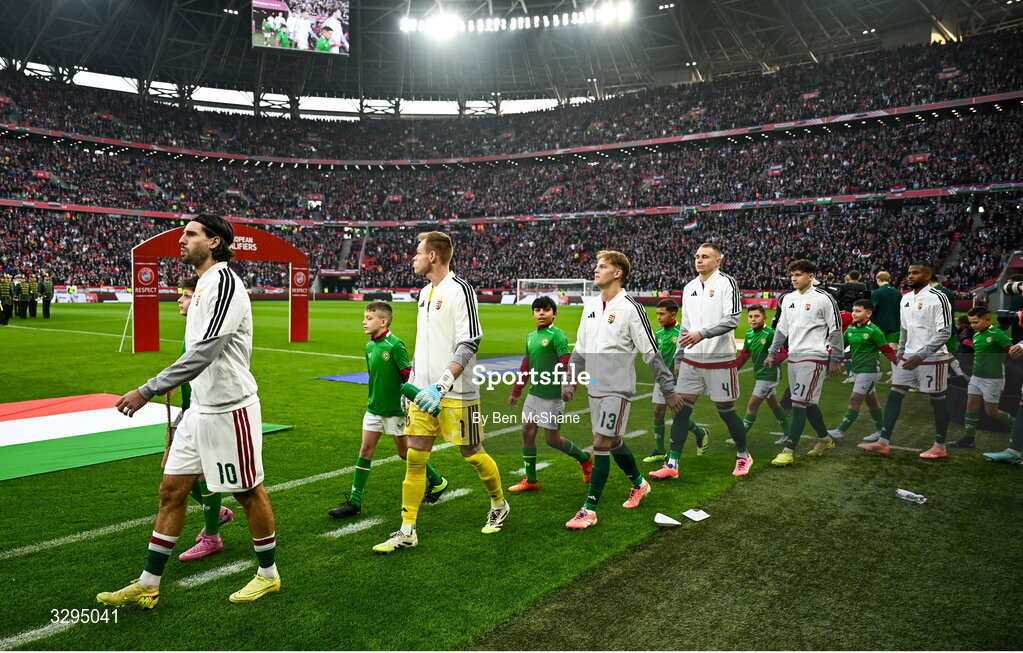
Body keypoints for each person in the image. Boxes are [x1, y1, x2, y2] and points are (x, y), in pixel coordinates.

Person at [98, 214, 281, 607]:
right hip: (199, 409)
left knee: (248, 493)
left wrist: (147, 389)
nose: (181, 240)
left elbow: (206, 350)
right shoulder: (200, 285)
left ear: (214, 242)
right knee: (171, 491)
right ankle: (148, 584)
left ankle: (268, 575)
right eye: (182, 234)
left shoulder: (226, 282)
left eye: (191, 234)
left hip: (231, 409)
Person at [372, 231, 508, 554]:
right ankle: (407, 530)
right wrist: (416, 384)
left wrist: (442, 383)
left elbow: (470, 341)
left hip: (458, 392)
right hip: (422, 393)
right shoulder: (423, 294)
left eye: (418, 252)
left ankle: (499, 505)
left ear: (433, 256)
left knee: (472, 452)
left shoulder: (461, 291)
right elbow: (423, 344)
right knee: (415, 456)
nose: (414, 258)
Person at [562, 251, 681, 529]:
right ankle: (640, 484)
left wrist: (668, 389)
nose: (596, 270)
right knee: (613, 442)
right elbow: (579, 349)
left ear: (618, 273)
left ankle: (589, 509)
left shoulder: (630, 308)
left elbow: (651, 352)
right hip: (595, 388)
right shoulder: (590, 305)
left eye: (602, 266)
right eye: (596, 266)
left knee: (601, 443)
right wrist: (570, 380)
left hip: (618, 389)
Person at [329, 301, 449, 518]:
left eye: (369, 318)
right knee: (365, 451)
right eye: (365, 317)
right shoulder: (369, 346)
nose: (364, 322)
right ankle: (354, 502)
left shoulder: (395, 346)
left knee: (404, 453)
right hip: (374, 409)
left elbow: (409, 376)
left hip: (395, 412)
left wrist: (416, 402)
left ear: (383, 322)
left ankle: (438, 482)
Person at [650, 242, 752, 479]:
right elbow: (686, 326)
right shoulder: (689, 287)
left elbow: (733, 319)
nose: (699, 260)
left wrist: (702, 334)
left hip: (720, 359)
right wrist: (678, 356)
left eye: (705, 256)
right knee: (680, 409)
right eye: (697, 256)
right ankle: (672, 464)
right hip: (692, 360)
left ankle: (744, 455)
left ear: (718, 261)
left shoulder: (727, 283)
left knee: (725, 412)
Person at [857, 262, 953, 459]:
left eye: (915, 273)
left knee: (937, 400)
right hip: (909, 355)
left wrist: (922, 355)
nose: (909, 276)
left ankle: (940, 446)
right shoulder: (906, 298)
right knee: (894, 395)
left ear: (927, 275)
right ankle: (883, 442)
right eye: (909, 273)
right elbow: (905, 329)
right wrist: (901, 353)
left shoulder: (939, 298)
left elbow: (945, 332)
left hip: (932, 357)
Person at [170, 275, 234, 561]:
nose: (179, 300)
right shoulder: (192, 328)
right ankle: (217, 512)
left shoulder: (209, 329)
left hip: (206, 411)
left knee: (202, 475)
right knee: (171, 473)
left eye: (185, 295)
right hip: (189, 409)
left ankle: (212, 535)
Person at [506, 296, 593, 492]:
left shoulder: (557, 336)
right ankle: (531, 479)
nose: (541, 313)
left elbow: (567, 362)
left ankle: (585, 459)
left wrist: (570, 385)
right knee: (527, 432)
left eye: (546, 310)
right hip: (534, 394)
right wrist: (516, 391)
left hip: (553, 396)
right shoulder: (530, 337)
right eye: (537, 310)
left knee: (552, 440)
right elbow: (526, 366)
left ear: (554, 313)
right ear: (533, 314)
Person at [765, 259, 844, 466]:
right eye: (792, 274)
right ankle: (825, 439)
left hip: (814, 356)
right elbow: (782, 329)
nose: (793, 278)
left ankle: (788, 450)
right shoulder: (788, 298)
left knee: (798, 402)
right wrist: (772, 353)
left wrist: (835, 359)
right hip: (794, 356)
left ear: (811, 276)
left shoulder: (824, 299)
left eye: (798, 274)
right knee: (807, 403)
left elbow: (835, 329)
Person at [643, 298, 710, 463]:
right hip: (662, 380)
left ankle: (701, 433)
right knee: (658, 411)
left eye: (662, 314)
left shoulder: (683, 332)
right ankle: (659, 450)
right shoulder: (658, 333)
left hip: (680, 381)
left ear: (673, 314)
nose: (658, 317)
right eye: (657, 314)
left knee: (677, 415)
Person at [826, 300, 897, 440]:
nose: (854, 313)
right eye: (853, 310)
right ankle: (881, 432)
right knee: (871, 402)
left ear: (869, 313)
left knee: (855, 399)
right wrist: (826, 356)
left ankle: (840, 431)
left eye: (858, 311)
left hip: (869, 371)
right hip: (858, 370)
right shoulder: (851, 329)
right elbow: (840, 346)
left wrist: (900, 366)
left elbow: (887, 350)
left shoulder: (874, 331)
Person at [949, 307, 1017, 448]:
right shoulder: (976, 334)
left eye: (975, 322)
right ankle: (969, 439)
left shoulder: (998, 335)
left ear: (987, 320)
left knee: (991, 412)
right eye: (971, 322)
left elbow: (1013, 353)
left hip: (993, 379)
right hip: (977, 377)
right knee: (971, 406)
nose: (972, 326)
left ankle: (1019, 430)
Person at [730, 304, 791, 446]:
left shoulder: (770, 333)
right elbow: (745, 354)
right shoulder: (749, 334)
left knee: (752, 406)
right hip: (760, 374)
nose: (753, 319)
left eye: (756, 316)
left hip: (769, 375)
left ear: (765, 317)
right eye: (750, 317)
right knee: (774, 404)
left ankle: (739, 437)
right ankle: (788, 433)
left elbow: (783, 353)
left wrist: (773, 361)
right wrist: (733, 368)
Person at [871, 271, 902, 346]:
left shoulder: (876, 293)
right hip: (895, 325)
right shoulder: (898, 293)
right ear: (889, 280)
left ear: (878, 280)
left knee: (878, 349)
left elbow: (872, 309)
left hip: (879, 326)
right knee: (892, 351)